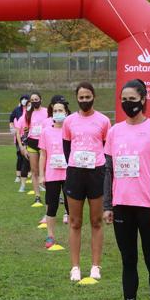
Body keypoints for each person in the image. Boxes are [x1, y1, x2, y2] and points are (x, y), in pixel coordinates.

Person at [103, 79, 150, 300]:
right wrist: (108, 205)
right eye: (124, 99)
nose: (127, 103)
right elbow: (108, 170)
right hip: (122, 206)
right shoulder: (114, 131)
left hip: (147, 207)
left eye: (132, 99)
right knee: (128, 261)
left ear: (143, 100)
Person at [62, 81, 111, 282]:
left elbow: (108, 149)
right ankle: (75, 267)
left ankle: (95, 266)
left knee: (96, 222)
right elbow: (66, 148)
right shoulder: (69, 121)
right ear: (77, 99)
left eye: (87, 97)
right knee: (75, 222)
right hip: (75, 173)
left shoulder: (104, 121)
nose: (84, 100)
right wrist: (75, 164)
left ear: (94, 97)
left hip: (97, 173)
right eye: (81, 97)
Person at [38, 97, 71, 249]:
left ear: (66, 112)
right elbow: (43, 155)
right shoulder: (46, 132)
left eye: (61, 110)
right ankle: (50, 236)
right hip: (52, 175)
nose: (58, 113)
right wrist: (41, 174)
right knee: (52, 206)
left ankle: (73, 235)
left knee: (71, 207)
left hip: (70, 174)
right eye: (55, 111)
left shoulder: (70, 130)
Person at [15, 92, 46, 208]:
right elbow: (21, 131)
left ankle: (53, 194)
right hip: (32, 143)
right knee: (34, 171)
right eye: (32, 100)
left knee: (46, 169)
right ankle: (37, 196)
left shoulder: (47, 112)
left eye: (36, 99)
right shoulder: (27, 114)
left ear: (41, 100)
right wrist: (22, 147)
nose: (34, 101)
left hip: (44, 144)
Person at [10, 94, 29, 183]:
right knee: (20, 156)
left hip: (29, 136)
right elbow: (11, 119)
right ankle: (18, 175)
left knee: (29, 155)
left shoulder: (30, 110)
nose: (24, 100)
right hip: (19, 135)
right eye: (23, 99)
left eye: (26, 99)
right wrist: (12, 128)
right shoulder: (17, 110)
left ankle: (28, 172)